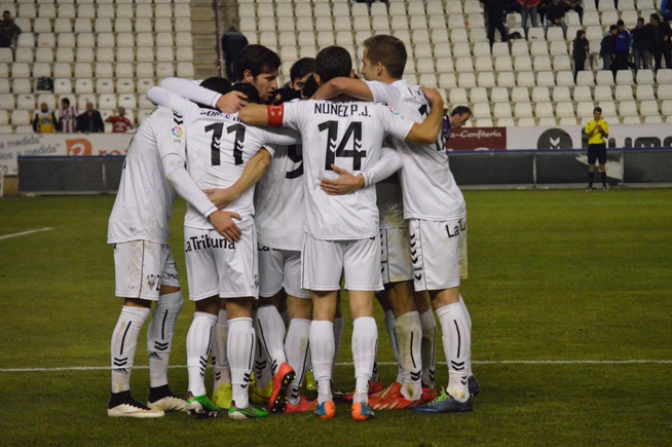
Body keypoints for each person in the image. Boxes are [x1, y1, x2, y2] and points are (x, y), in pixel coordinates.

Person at [237, 45, 446, 421]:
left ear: (318, 78)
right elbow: (420, 139)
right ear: (352, 74)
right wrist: (363, 178)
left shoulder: (307, 109)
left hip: (320, 226)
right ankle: (364, 396)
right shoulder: (378, 111)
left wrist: (224, 101)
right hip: (363, 222)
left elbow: (250, 113)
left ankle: (324, 398)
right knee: (363, 310)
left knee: (322, 312)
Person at [312, 36, 476, 415]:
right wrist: (436, 104)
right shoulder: (416, 93)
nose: (363, 72)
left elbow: (337, 84)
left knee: (443, 298)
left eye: (366, 65)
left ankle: (457, 388)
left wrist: (310, 109)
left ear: (378, 68)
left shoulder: (388, 94)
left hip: (431, 209)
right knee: (447, 296)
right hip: (444, 202)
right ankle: (461, 375)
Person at [147, 76, 302, 420]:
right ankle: (241, 403)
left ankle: (196, 393)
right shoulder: (255, 127)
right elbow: (298, 132)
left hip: (197, 223)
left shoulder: (191, 114)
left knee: (205, 309)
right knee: (240, 310)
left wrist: (213, 101)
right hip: (235, 225)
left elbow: (157, 89)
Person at [107, 91, 242, 418]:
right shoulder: (171, 118)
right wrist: (212, 212)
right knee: (137, 305)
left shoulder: (174, 118)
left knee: (171, 300)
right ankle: (119, 397)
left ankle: (159, 390)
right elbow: (172, 170)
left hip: (153, 228)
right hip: (139, 226)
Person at [585, 107, 609, 192]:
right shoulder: (589, 123)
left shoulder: (604, 123)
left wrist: (601, 130)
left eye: (599, 114)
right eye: (596, 114)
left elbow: (606, 136)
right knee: (592, 165)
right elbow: (588, 135)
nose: (597, 116)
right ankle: (590, 186)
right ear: (593, 114)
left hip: (601, 145)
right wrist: (594, 128)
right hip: (592, 145)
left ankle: (604, 186)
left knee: (602, 165)